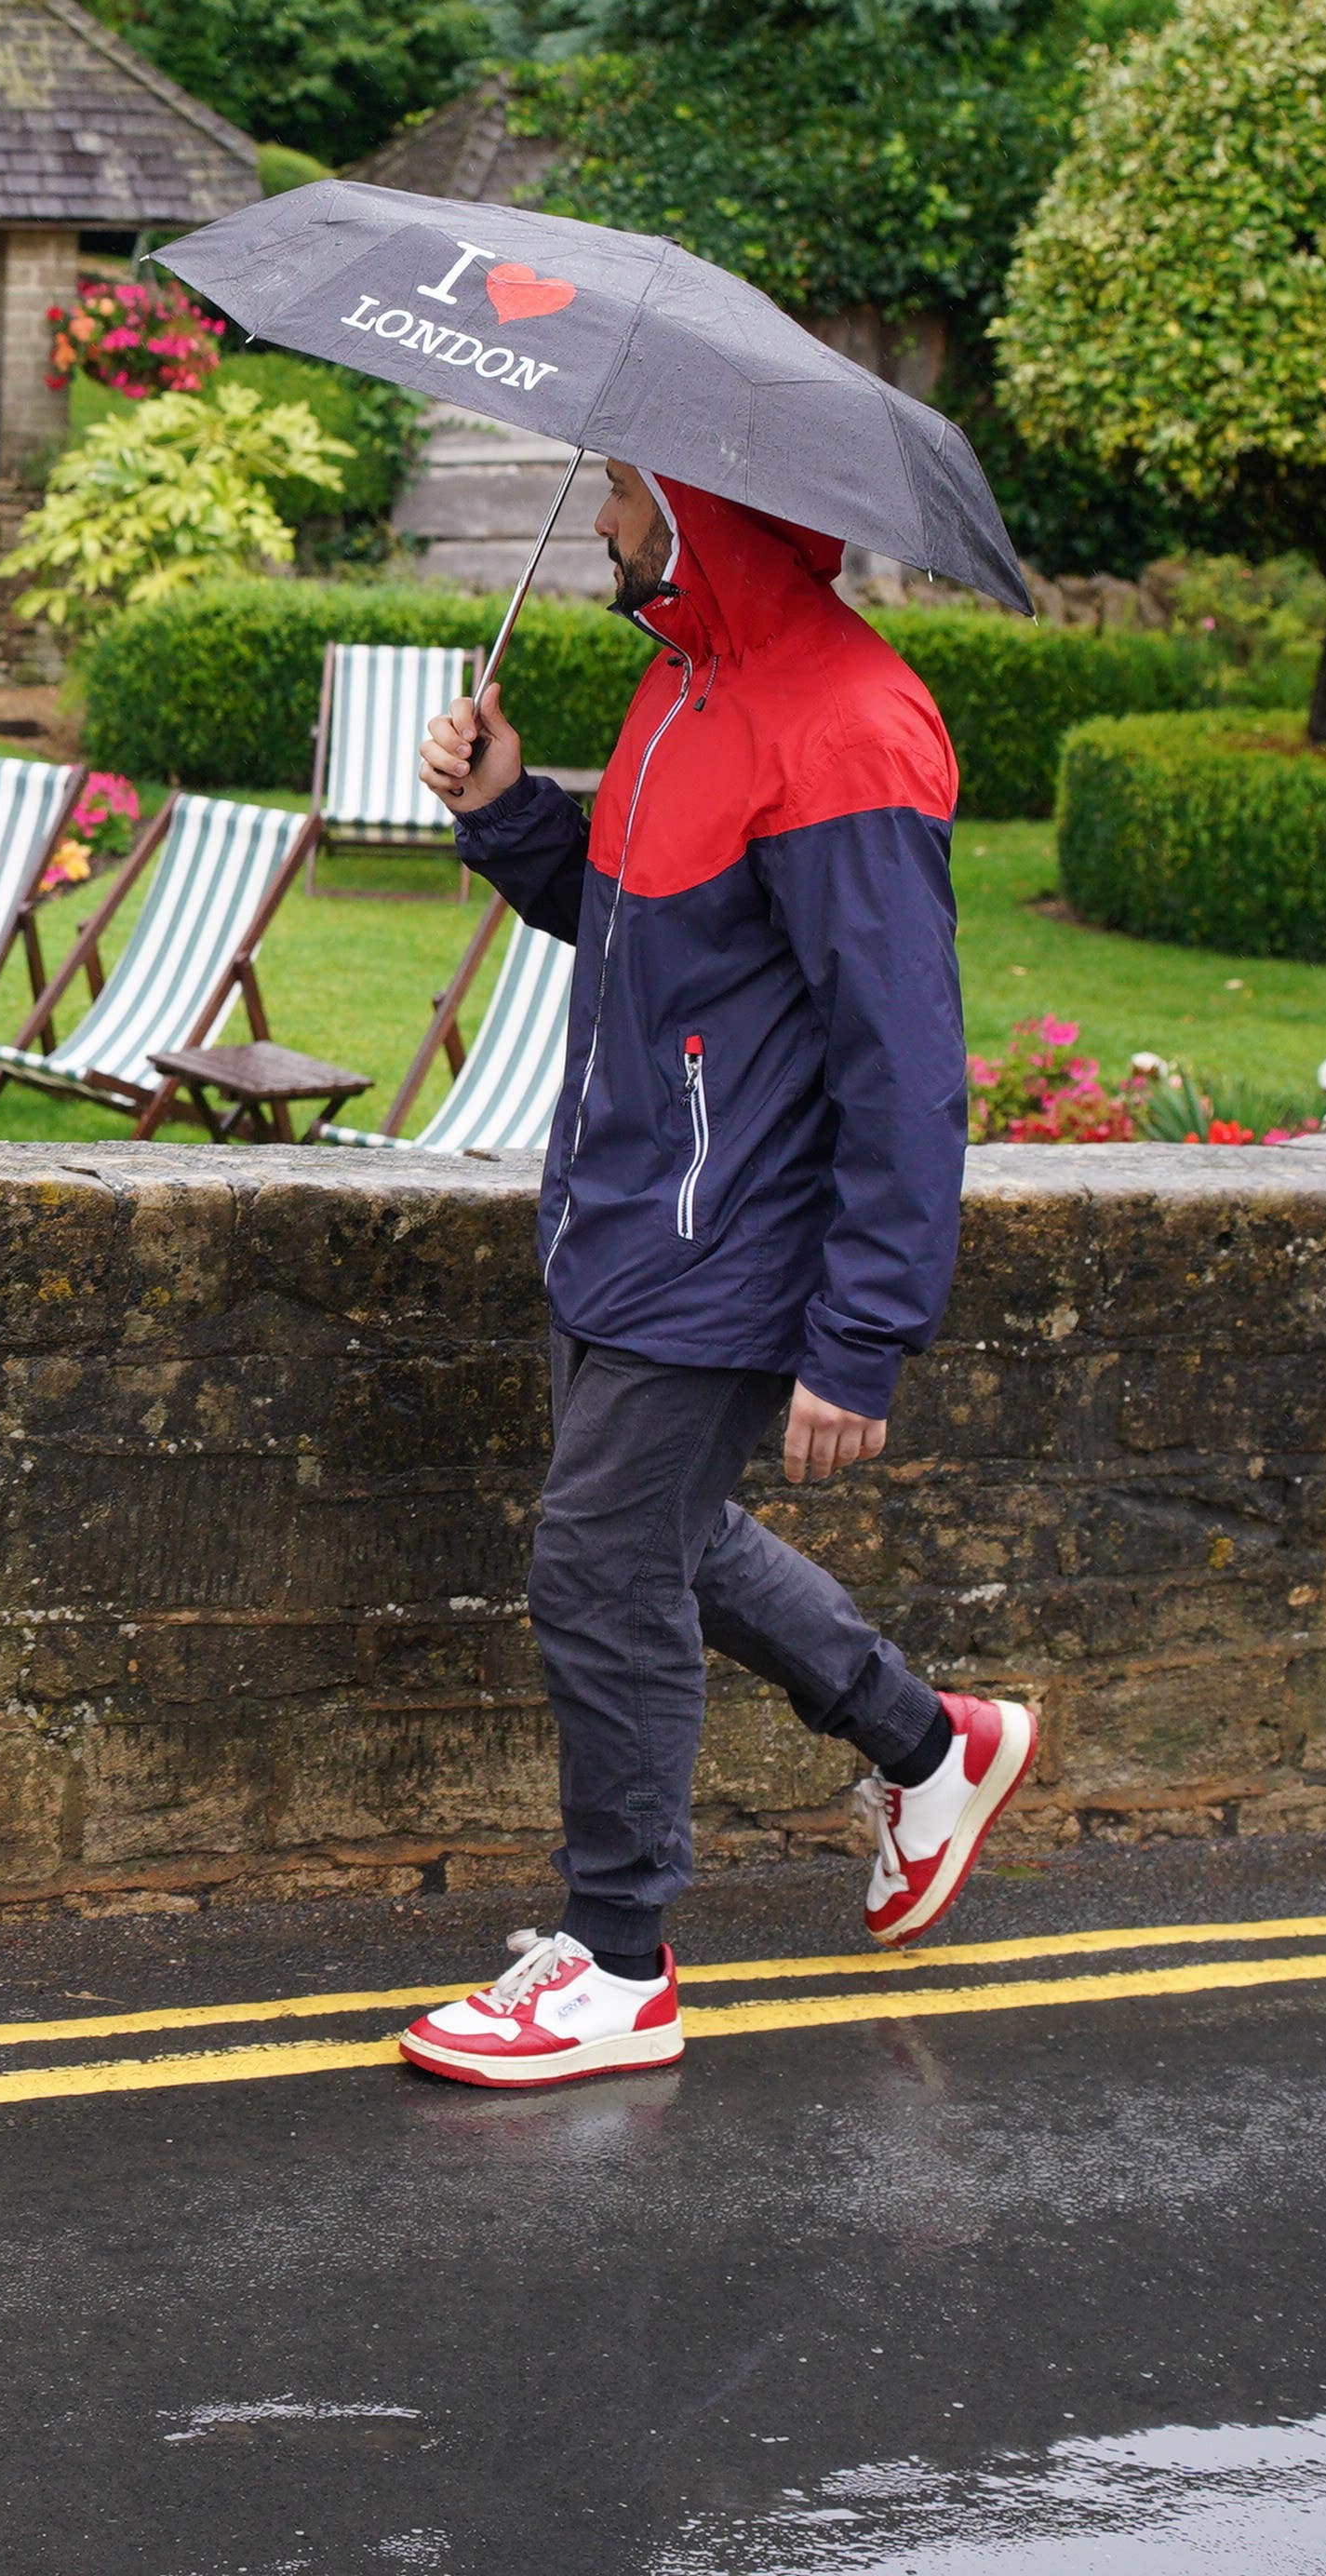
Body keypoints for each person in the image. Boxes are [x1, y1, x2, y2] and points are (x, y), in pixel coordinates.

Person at [395, 457, 1037, 2088]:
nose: (603, 521)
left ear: (699, 511)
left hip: (731, 1244)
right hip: (619, 1222)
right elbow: (638, 930)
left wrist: (863, 1333)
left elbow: (907, 1066)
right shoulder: (686, 686)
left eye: (622, 492)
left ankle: (620, 1964)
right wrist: (510, 812)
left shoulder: (850, 726)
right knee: (667, 1543)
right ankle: (927, 1742)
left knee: (600, 1573)